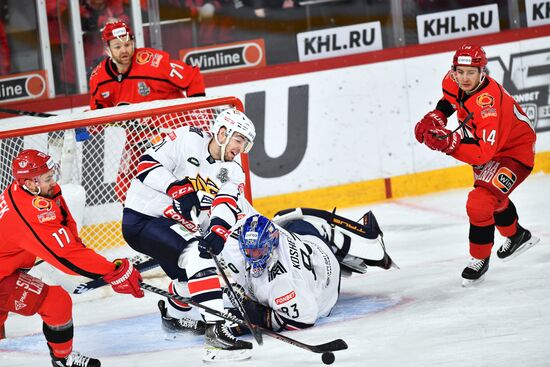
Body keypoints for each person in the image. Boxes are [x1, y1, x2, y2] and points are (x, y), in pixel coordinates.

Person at [121, 108, 255, 362]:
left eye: (246, 144)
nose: (242, 148)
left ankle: (173, 315)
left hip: (178, 226)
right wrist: (177, 188)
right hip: (144, 218)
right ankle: (216, 337)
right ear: (223, 132)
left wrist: (219, 230)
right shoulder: (187, 138)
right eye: (240, 140)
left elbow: (227, 203)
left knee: (189, 276)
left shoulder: (233, 170)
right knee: (197, 256)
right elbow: (145, 165)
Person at [0, 149, 144, 367]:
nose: (53, 182)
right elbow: (67, 256)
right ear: (30, 183)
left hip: (7, 271)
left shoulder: (38, 191)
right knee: (56, 301)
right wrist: (112, 271)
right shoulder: (29, 212)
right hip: (3, 277)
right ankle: (63, 359)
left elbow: (67, 234)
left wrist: (94, 263)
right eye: (48, 178)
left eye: (51, 175)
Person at [414, 43, 540, 287]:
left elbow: (482, 154)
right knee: (494, 196)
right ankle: (517, 236)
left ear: (483, 72)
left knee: (480, 201)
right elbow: (450, 99)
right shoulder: (454, 80)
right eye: (459, 71)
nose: (464, 78)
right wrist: (437, 116)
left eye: (471, 72)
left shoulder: (488, 106)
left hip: (515, 152)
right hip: (486, 143)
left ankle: (479, 259)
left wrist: (447, 143)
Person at [219, 207, 395, 333]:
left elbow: (303, 319)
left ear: (271, 245)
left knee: (302, 222)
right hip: (310, 247)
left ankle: (367, 245)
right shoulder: (273, 234)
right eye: (249, 250)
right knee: (290, 218)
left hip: (327, 286)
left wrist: (261, 317)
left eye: (259, 250)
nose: (254, 256)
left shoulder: (283, 281)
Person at [88, 20, 206, 202]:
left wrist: (197, 119)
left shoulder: (153, 63)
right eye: (118, 46)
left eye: (127, 44)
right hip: (138, 138)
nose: (124, 50)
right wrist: (88, 126)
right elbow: (100, 113)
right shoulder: (99, 78)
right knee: (124, 188)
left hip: (171, 134)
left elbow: (192, 77)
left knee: (180, 182)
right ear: (107, 49)